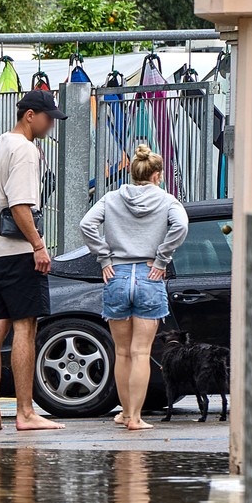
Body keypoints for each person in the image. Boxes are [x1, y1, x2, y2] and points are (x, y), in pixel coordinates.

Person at [0, 91, 65, 433]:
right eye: (48, 118)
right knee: (25, 327)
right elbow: (21, 205)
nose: (51, 125)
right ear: (30, 115)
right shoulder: (25, 149)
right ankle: (25, 412)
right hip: (19, 254)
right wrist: (38, 245)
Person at [78, 143, 188, 431]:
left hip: (117, 275)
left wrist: (104, 257)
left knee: (123, 352)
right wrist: (162, 259)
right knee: (141, 352)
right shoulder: (167, 201)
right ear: (156, 175)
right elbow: (181, 226)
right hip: (150, 276)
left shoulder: (112, 198)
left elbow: (87, 224)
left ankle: (126, 413)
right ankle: (137, 418)